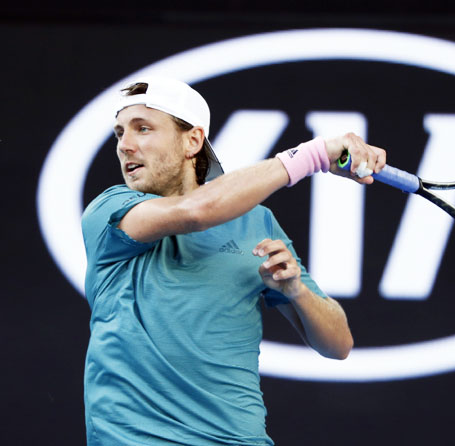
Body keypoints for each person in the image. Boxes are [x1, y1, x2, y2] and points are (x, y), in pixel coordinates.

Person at [80, 76, 386, 446]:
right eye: (119, 133)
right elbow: (198, 211)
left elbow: (338, 345)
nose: (125, 146)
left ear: (192, 140)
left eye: (143, 129)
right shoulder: (109, 209)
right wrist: (313, 155)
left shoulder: (255, 222)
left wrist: (295, 292)